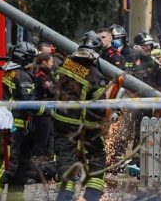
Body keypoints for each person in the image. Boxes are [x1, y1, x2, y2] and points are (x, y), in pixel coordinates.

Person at [54, 31, 110, 201]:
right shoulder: (95, 75)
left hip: (61, 120)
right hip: (83, 124)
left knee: (65, 157)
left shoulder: (66, 63)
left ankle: (65, 196)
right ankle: (92, 195)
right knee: (97, 155)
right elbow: (99, 108)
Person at [0, 42, 37, 187]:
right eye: (31, 58)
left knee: (19, 162)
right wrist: (45, 108)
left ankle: (14, 192)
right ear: (25, 58)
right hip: (18, 122)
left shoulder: (10, 71)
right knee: (12, 164)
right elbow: (28, 100)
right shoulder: (23, 76)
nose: (33, 62)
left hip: (10, 119)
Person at [31, 51, 57, 177]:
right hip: (41, 115)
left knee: (48, 141)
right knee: (41, 143)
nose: (53, 64)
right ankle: (36, 171)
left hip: (48, 113)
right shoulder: (41, 76)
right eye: (51, 61)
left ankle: (46, 168)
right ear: (44, 62)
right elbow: (53, 89)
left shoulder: (48, 74)